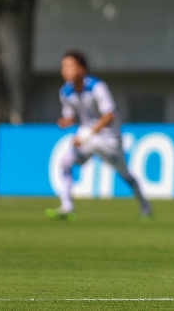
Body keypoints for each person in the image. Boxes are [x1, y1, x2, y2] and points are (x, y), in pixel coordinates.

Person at [46, 50, 152, 221]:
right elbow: (72, 115)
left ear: (82, 69)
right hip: (88, 135)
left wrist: (87, 134)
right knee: (66, 161)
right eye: (63, 66)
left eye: (70, 66)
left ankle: (145, 206)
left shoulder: (96, 87)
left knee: (125, 174)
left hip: (109, 138)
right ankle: (67, 206)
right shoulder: (65, 92)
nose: (65, 70)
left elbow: (109, 115)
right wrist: (66, 121)